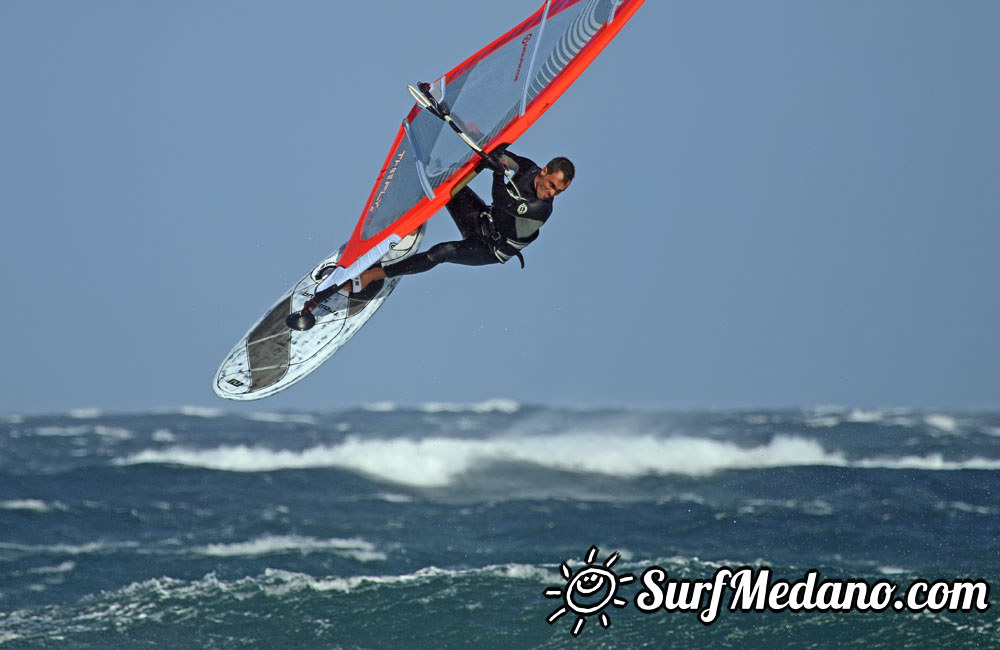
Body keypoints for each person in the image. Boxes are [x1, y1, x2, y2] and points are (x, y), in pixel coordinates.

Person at [349, 147, 574, 292]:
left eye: (558, 191)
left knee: (440, 253)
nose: (551, 193)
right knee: (445, 182)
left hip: (489, 248)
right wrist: (490, 154)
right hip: (482, 219)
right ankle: (407, 222)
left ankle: (373, 276)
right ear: (544, 171)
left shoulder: (542, 209)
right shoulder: (528, 169)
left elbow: (503, 202)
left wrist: (497, 173)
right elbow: (500, 155)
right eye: (552, 185)